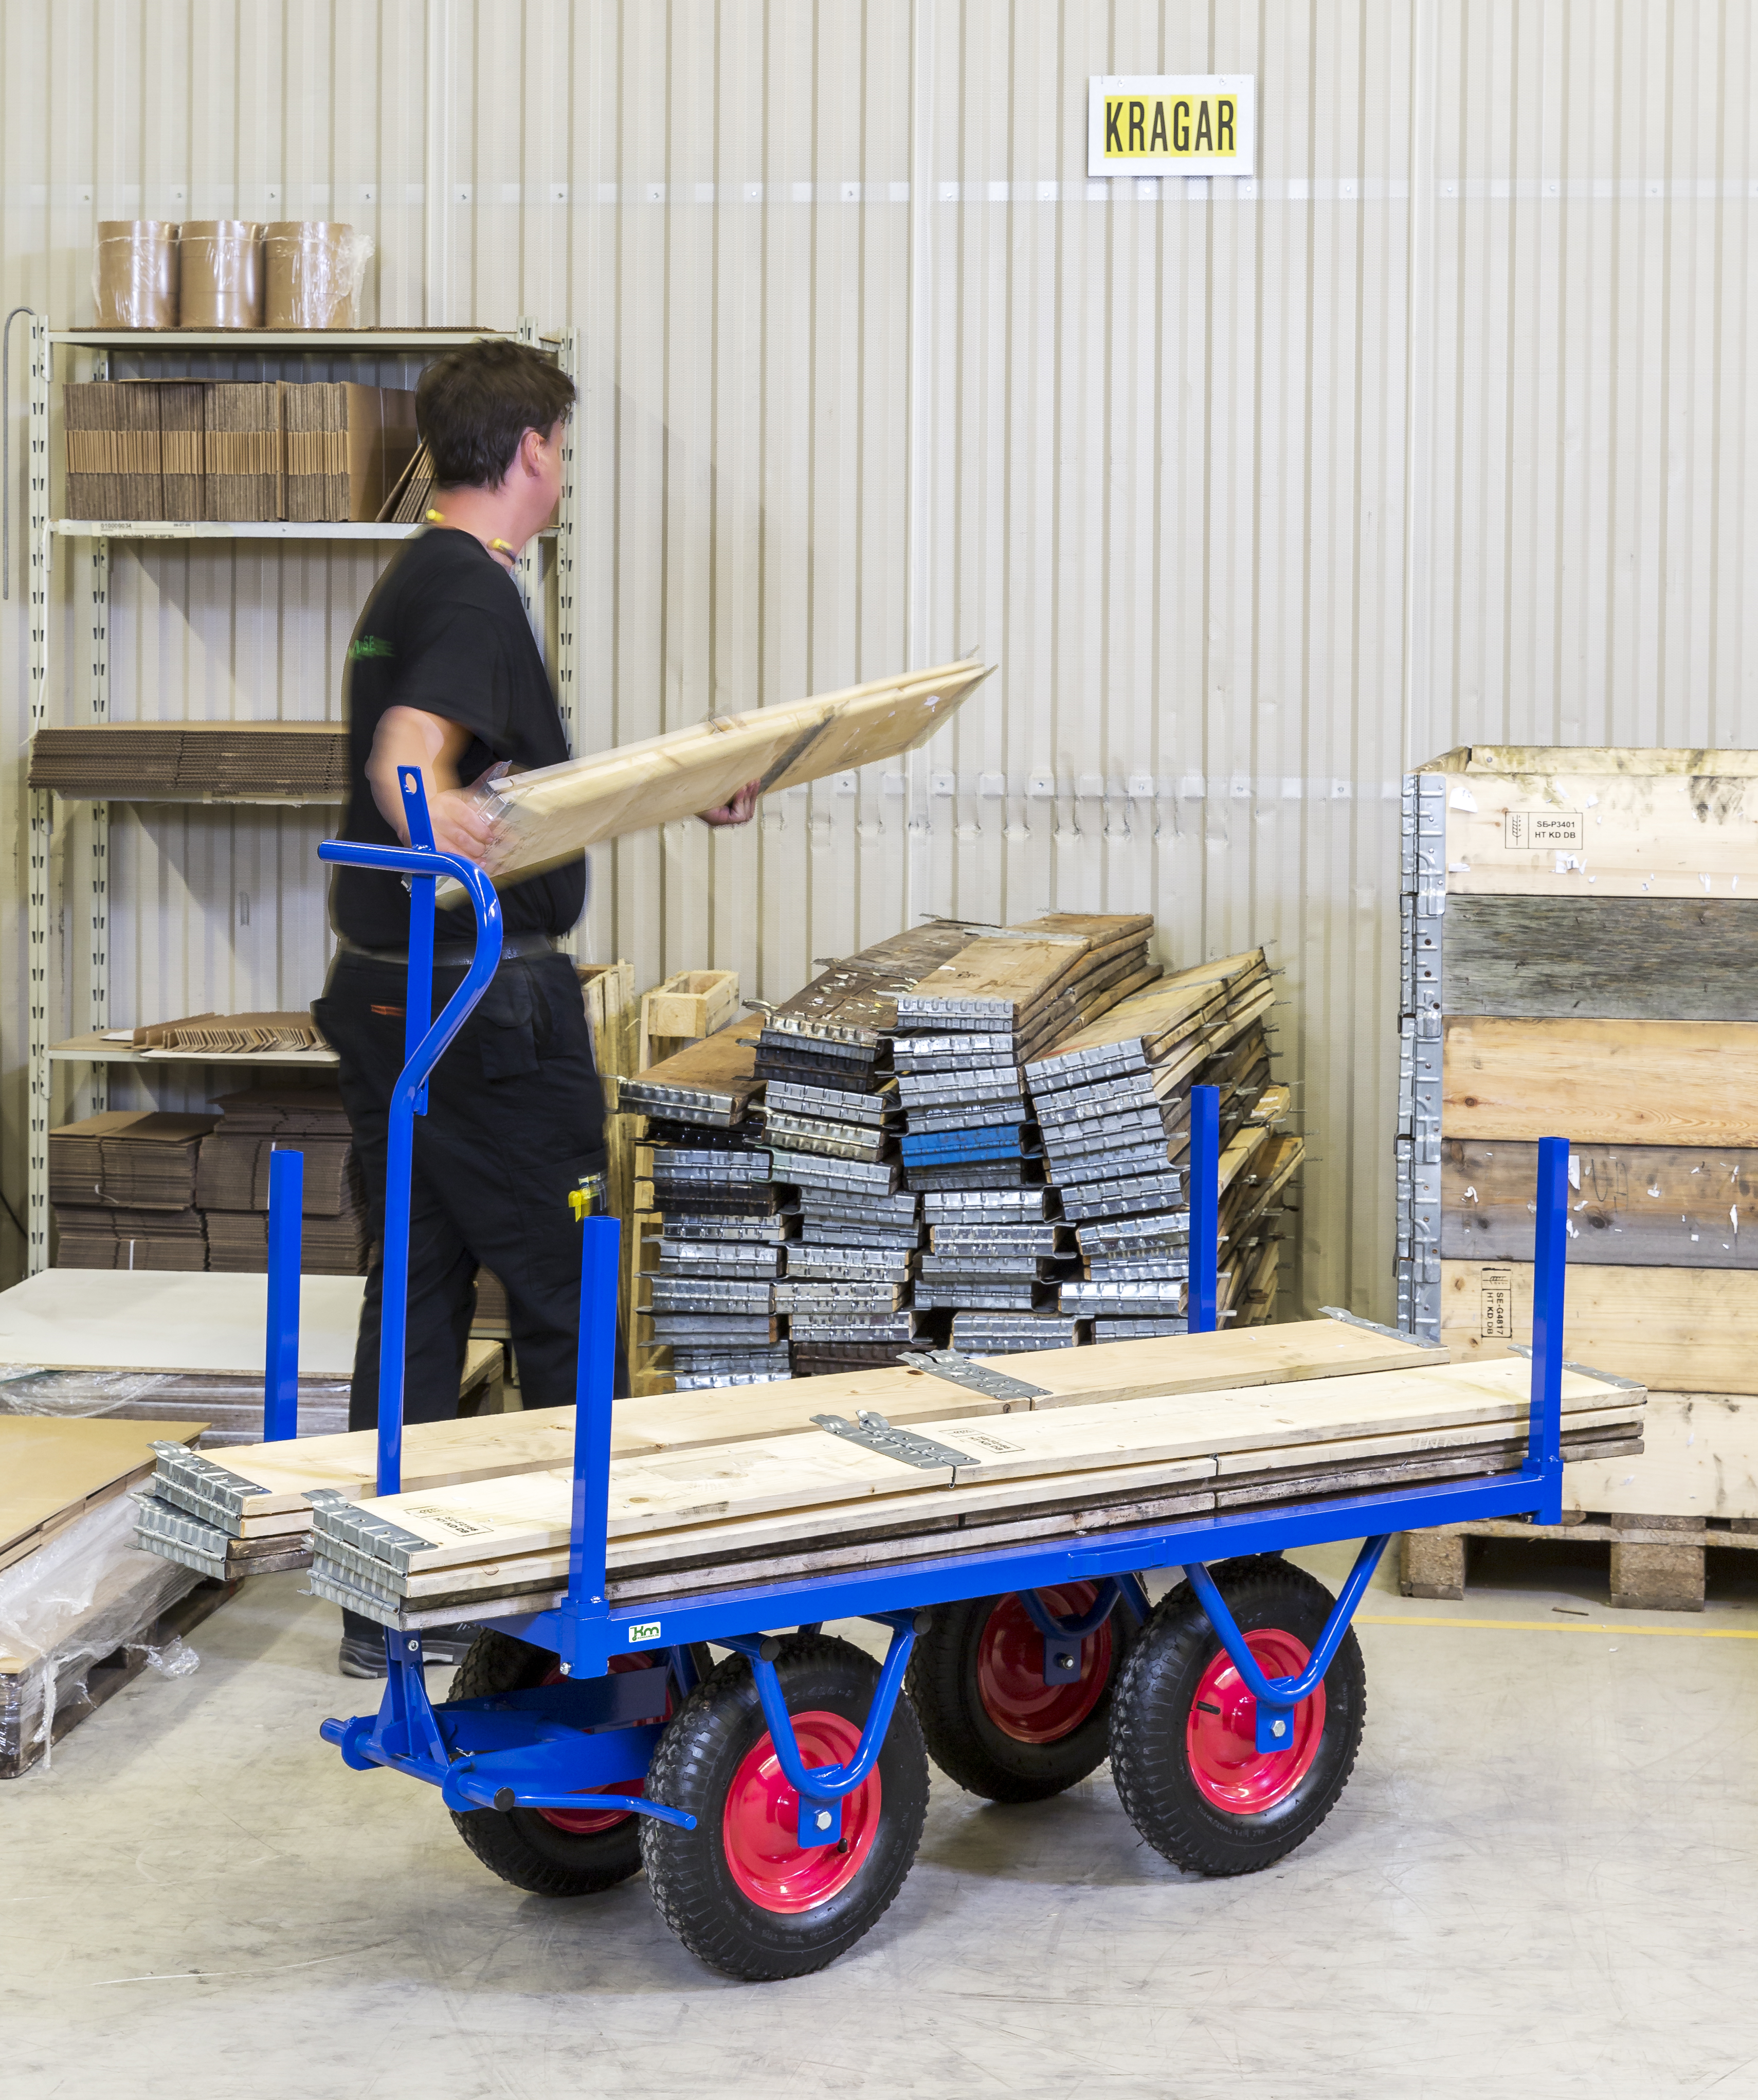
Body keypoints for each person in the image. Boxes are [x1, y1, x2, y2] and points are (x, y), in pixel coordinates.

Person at [315, 339, 756, 1676]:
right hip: (484, 1013)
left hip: (397, 999)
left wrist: (689, 785)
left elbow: (517, 795)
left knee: (422, 1291)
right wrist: (434, 816)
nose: (564, 472)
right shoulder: (470, 598)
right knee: (569, 1291)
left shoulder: (414, 580)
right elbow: (411, 763)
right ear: (528, 454)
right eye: (560, 448)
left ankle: (382, 1597)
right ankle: (584, 1593)